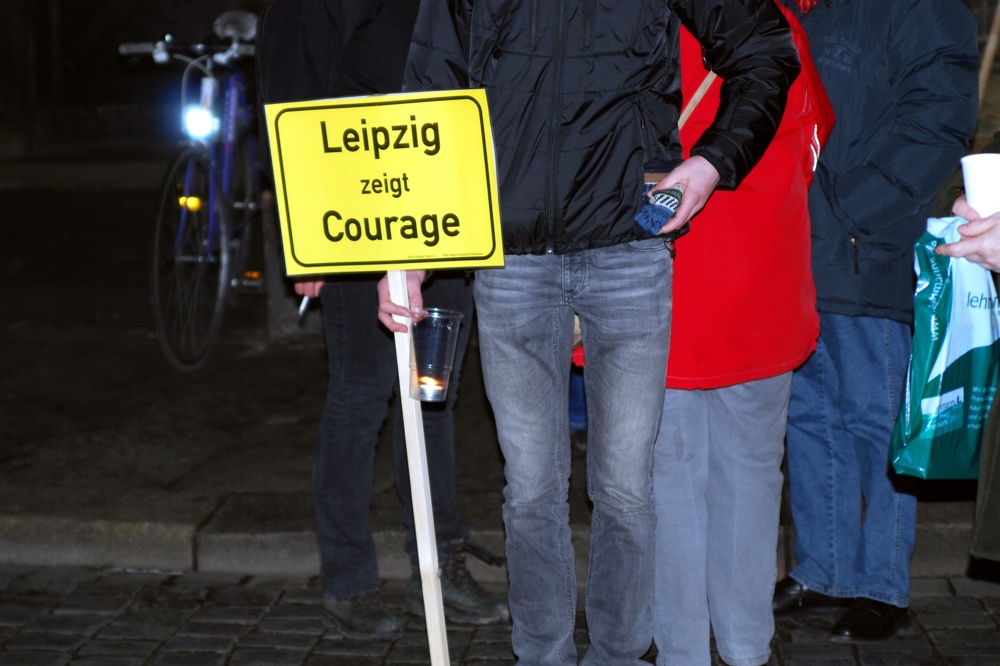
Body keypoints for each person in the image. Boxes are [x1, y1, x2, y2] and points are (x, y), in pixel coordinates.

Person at [378, 1, 801, 663]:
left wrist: (713, 162)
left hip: (626, 251)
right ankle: (542, 654)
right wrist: (410, 247)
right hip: (511, 255)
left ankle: (619, 655)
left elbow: (767, 51)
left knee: (627, 489)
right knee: (531, 489)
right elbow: (428, 97)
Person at [255, 0, 508, 641]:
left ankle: (440, 558)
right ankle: (348, 581)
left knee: (432, 392)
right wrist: (302, 233)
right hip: (355, 225)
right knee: (361, 396)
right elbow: (290, 102)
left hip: (443, 212)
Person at [772, 0, 979, 642]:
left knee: (873, 417)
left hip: (865, 245)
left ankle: (881, 586)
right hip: (797, 243)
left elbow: (940, 119)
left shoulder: (922, 6)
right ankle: (824, 572)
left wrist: (848, 209)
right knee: (808, 416)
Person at [648, 3, 833, 665]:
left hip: (664, 288)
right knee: (751, 478)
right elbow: (812, 141)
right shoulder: (777, 24)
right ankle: (747, 647)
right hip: (761, 286)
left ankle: (681, 651)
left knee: (668, 485)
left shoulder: (634, 22)